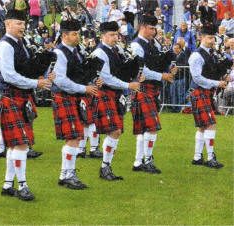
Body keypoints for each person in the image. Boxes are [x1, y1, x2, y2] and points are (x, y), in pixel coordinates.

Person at [0, 9, 53, 199]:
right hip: (11, 96)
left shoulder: (22, 43)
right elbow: (9, 75)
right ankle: (22, 186)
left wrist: (43, 76)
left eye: (23, 23)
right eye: (18, 23)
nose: (22, 26)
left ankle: (7, 185)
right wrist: (37, 83)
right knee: (20, 144)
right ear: (7, 24)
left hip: (22, 96)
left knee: (15, 145)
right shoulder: (5, 46)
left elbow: (26, 68)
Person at [52, 18, 103, 190]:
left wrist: (95, 79)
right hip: (65, 97)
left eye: (78, 33)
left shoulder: (76, 51)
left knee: (75, 136)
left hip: (74, 97)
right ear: (64, 35)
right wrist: (84, 88)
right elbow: (60, 80)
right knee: (73, 137)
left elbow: (79, 73)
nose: (77, 37)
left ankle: (65, 175)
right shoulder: (60, 53)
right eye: (74, 34)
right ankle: (68, 175)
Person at [92, 21, 142, 181]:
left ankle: (106, 166)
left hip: (116, 94)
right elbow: (106, 77)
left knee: (116, 131)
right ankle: (105, 167)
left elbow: (123, 67)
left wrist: (136, 74)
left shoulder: (117, 49)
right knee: (114, 131)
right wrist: (129, 85)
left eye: (116, 34)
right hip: (105, 92)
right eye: (112, 35)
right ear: (103, 36)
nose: (115, 38)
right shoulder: (100, 53)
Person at [130, 13, 176, 174]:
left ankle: (138, 162)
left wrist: (169, 67)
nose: (154, 31)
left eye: (155, 28)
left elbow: (157, 62)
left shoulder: (154, 43)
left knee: (145, 129)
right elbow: (141, 70)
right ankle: (147, 160)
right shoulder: (136, 45)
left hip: (152, 90)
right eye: (151, 28)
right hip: (143, 89)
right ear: (142, 27)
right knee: (151, 127)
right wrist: (162, 76)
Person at [187, 22, 228, 169]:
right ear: (202, 37)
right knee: (211, 124)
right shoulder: (196, 55)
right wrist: (217, 83)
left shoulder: (211, 54)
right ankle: (210, 157)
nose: (212, 41)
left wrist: (223, 78)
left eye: (213, 38)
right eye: (210, 38)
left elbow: (212, 71)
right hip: (199, 92)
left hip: (206, 93)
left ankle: (197, 157)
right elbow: (197, 78)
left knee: (203, 126)